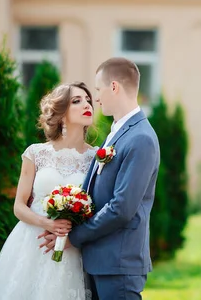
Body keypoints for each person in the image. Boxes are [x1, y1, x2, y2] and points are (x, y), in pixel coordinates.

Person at [40, 57, 161, 299]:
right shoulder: (117, 132)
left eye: (98, 90)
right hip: (100, 261)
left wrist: (74, 237)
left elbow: (121, 208)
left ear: (114, 87)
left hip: (119, 263)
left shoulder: (140, 138)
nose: (96, 98)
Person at [0, 82, 97, 300]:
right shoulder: (35, 153)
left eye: (88, 100)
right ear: (61, 113)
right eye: (77, 101)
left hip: (71, 247)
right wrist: (47, 223)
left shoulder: (96, 158)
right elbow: (19, 206)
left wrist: (71, 229)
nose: (87, 104)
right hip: (31, 242)